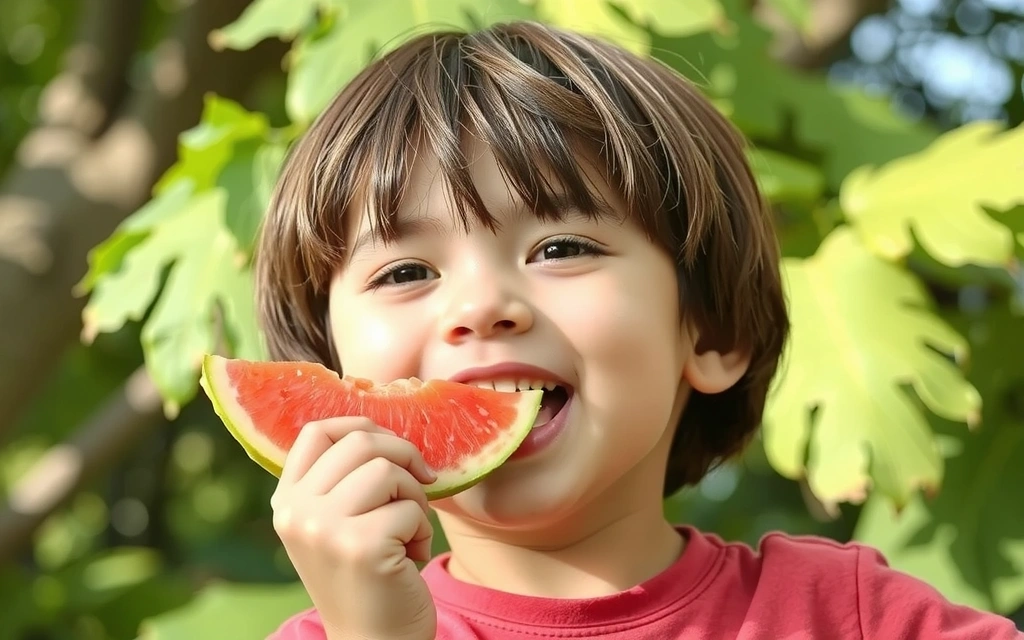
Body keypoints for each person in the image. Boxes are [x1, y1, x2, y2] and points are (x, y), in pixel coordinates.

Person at [251, 19, 1023, 640]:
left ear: (712, 331)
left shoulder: (855, 619)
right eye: (405, 272)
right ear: (332, 371)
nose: (480, 306)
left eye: (561, 249)